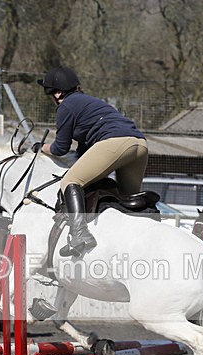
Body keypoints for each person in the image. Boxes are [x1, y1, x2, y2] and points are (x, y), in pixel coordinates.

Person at [35, 66, 149, 257]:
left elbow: (59, 148)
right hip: (139, 144)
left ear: (57, 92)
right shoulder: (91, 103)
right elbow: (83, 151)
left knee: (70, 182)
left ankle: (80, 236)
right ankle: (140, 241)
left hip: (115, 142)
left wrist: (40, 147)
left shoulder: (66, 106)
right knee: (128, 199)